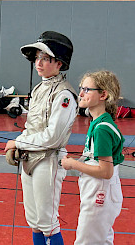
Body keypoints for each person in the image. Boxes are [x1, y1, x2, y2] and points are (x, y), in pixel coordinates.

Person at [4, 31, 78, 245]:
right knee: (34, 221)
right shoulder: (39, 89)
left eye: (46, 58)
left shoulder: (64, 94)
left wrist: (18, 143)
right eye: (38, 57)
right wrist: (18, 146)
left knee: (47, 221)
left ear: (60, 63)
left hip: (49, 160)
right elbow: (31, 127)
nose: (39, 63)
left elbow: (53, 137)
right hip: (29, 158)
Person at [61, 70, 124, 245]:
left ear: (103, 95)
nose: (81, 93)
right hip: (102, 192)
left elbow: (105, 171)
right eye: (82, 88)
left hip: (100, 193)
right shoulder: (98, 123)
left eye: (87, 89)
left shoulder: (102, 129)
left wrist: (73, 164)